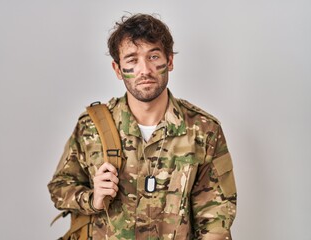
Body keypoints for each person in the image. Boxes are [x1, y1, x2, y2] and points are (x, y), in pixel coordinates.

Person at [48, 13, 237, 240]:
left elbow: (216, 216)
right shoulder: (91, 128)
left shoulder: (203, 130)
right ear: (118, 69)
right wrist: (92, 198)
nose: (144, 70)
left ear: (169, 62)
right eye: (131, 60)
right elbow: (59, 188)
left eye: (153, 56)